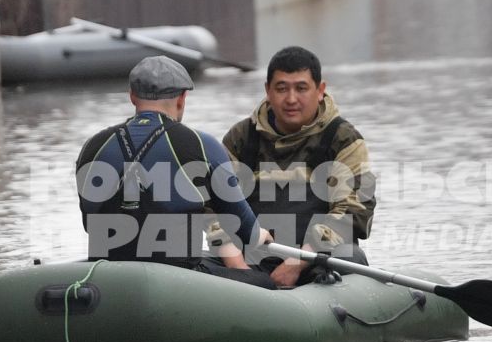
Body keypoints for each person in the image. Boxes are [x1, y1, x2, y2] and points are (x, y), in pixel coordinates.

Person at [76, 55, 274, 285]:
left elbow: (89, 223)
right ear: (182, 98)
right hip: (179, 282)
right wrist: (263, 236)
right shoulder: (202, 145)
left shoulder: (92, 147)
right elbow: (245, 230)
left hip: (106, 278)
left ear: (132, 96)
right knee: (265, 282)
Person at [223, 46, 376, 289]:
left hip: (317, 261)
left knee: (350, 258)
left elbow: (354, 210)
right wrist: (237, 267)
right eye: (282, 88)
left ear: (320, 90)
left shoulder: (343, 139)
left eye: (301, 88)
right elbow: (215, 207)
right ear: (267, 91)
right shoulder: (241, 138)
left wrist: (297, 262)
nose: (291, 99)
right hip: (251, 264)